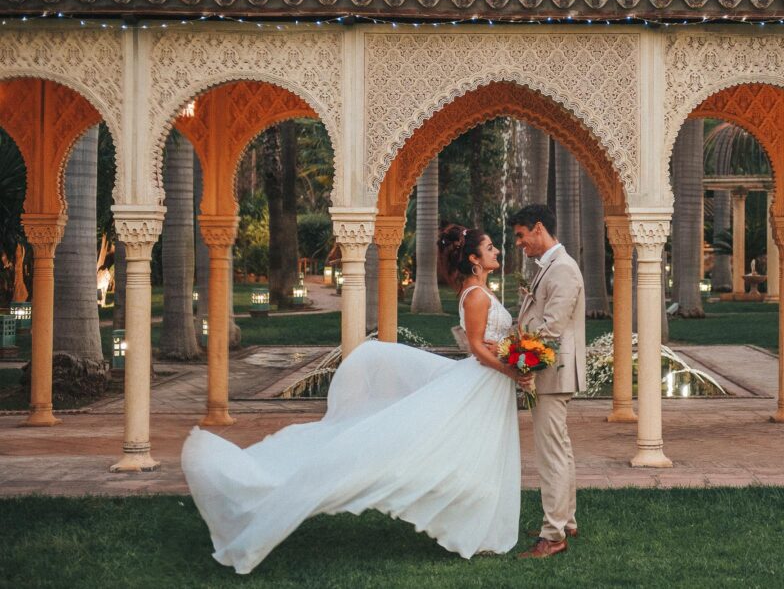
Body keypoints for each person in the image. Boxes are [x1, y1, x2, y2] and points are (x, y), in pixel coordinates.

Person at [181, 225, 528, 573]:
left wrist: (516, 354)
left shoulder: (479, 290)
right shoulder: (476, 295)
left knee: (479, 452)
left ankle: (477, 525)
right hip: (484, 379)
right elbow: (476, 347)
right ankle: (470, 525)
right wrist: (512, 369)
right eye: (489, 247)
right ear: (473, 258)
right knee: (434, 448)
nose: (496, 251)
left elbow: (489, 343)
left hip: (488, 384)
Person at [509, 204, 587, 559]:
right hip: (551, 372)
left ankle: (552, 535)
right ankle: (566, 520)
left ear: (538, 228)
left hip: (552, 373)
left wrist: (517, 353)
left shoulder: (564, 270)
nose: (520, 244)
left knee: (551, 454)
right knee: (561, 448)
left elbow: (551, 329)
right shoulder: (553, 268)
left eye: (521, 236)